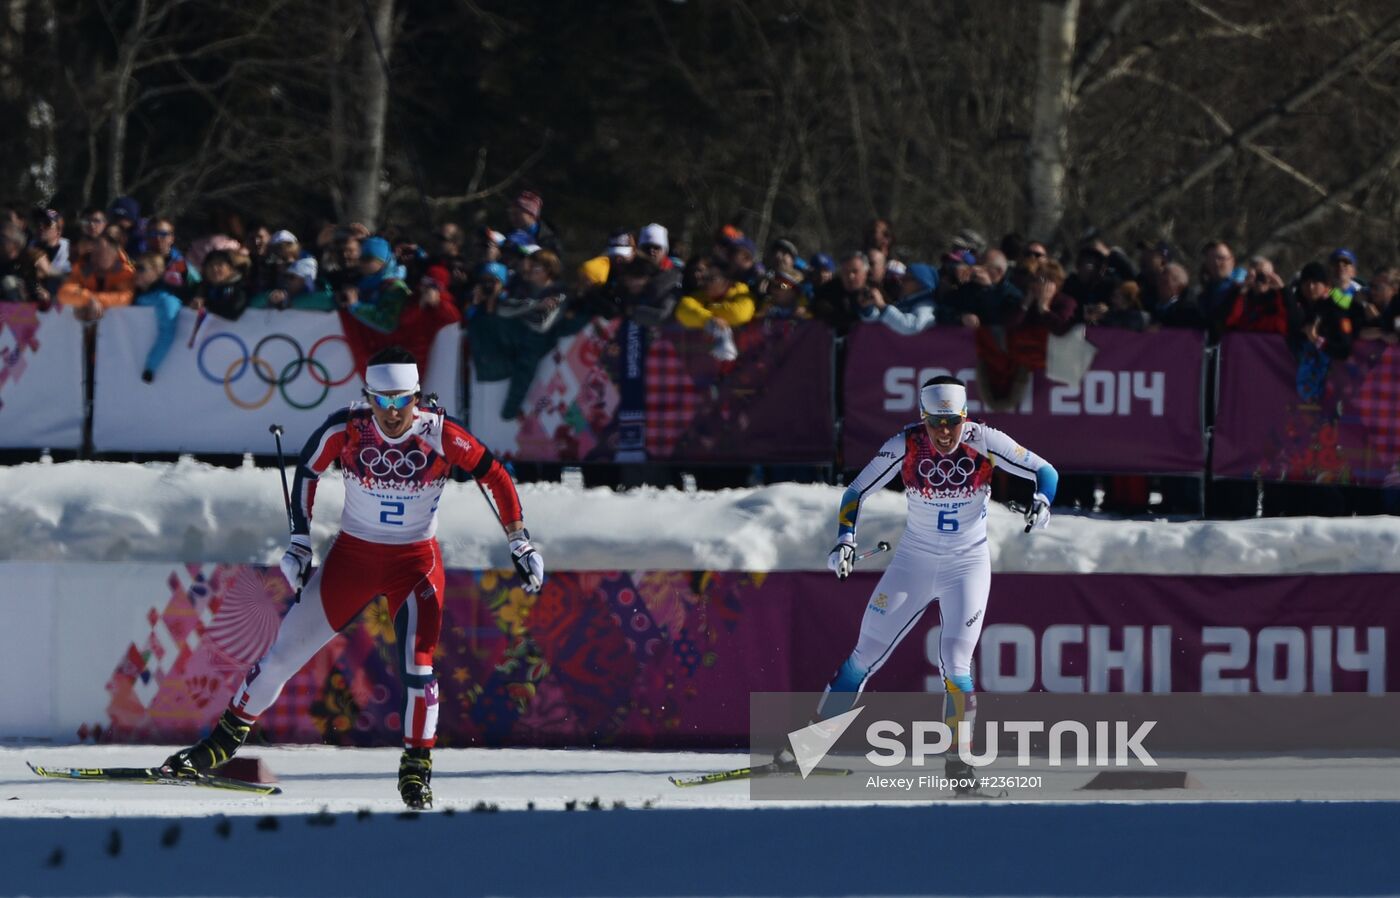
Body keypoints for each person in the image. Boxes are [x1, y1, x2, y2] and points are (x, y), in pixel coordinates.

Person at [162, 347, 544, 810]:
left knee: (419, 668)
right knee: (281, 655)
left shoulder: (441, 432)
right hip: (352, 559)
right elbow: (307, 471)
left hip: (414, 563)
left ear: (417, 397)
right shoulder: (349, 426)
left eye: (401, 401)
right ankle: (214, 749)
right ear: (368, 396)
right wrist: (300, 542)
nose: (391, 413)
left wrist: (520, 541)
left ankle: (416, 772)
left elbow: (495, 476)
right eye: (380, 401)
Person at [783, 376, 1057, 793]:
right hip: (914, 562)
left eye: (952, 422)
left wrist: (1042, 500)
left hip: (967, 564)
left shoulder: (985, 439)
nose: (945, 433)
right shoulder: (906, 444)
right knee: (865, 653)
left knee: (955, 662)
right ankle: (807, 749)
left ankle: (959, 765)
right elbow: (856, 491)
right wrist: (845, 539)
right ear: (922, 419)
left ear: (964, 417)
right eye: (935, 423)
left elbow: (1045, 470)